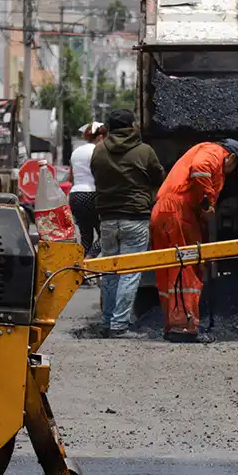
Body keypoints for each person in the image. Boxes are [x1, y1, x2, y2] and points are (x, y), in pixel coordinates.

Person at [149, 139, 238, 343]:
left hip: (164, 210)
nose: (229, 172)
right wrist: (209, 200)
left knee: (169, 268)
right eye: (233, 168)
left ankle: (172, 324)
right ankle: (184, 327)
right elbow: (200, 168)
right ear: (232, 157)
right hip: (177, 211)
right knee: (185, 266)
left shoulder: (200, 150)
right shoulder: (213, 151)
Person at [90, 109, 164, 338]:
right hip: (135, 217)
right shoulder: (144, 151)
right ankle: (119, 325)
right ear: (132, 125)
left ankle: (106, 320)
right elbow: (158, 177)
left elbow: (96, 175)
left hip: (107, 219)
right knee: (130, 272)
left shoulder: (99, 150)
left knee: (110, 272)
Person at [69, 122, 105, 259]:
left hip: (75, 195)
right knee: (105, 235)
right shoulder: (98, 151)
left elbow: (71, 176)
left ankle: (79, 268)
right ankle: (88, 259)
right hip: (92, 194)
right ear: (101, 137)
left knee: (85, 237)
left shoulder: (76, 151)